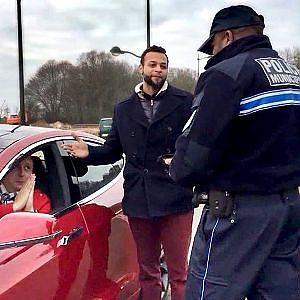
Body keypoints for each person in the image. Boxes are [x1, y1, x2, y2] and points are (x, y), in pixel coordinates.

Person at [169, 5, 300, 300]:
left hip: (237, 215)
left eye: (213, 46)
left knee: (209, 291)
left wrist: (176, 169)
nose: (211, 55)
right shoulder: (294, 75)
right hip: (288, 207)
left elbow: (195, 153)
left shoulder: (227, 73)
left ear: (226, 37)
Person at [63, 45, 194, 300]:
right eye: (153, 64)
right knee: (147, 270)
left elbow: (195, 143)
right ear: (141, 68)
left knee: (180, 273)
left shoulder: (184, 102)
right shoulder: (123, 108)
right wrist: (89, 153)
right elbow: (113, 150)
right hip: (138, 200)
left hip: (175, 198)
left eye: (163, 65)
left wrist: (185, 163)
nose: (158, 69)